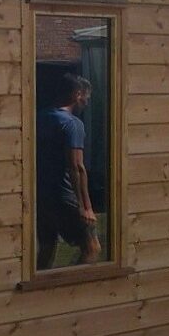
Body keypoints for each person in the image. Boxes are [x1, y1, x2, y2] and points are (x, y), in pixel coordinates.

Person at [37, 73, 101, 268]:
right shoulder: (72, 124)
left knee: (47, 247)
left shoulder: (40, 117)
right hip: (64, 196)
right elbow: (77, 167)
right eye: (86, 98)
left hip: (41, 196)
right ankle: (75, 291)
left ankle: (41, 293)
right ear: (77, 94)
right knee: (92, 248)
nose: (87, 104)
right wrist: (85, 207)